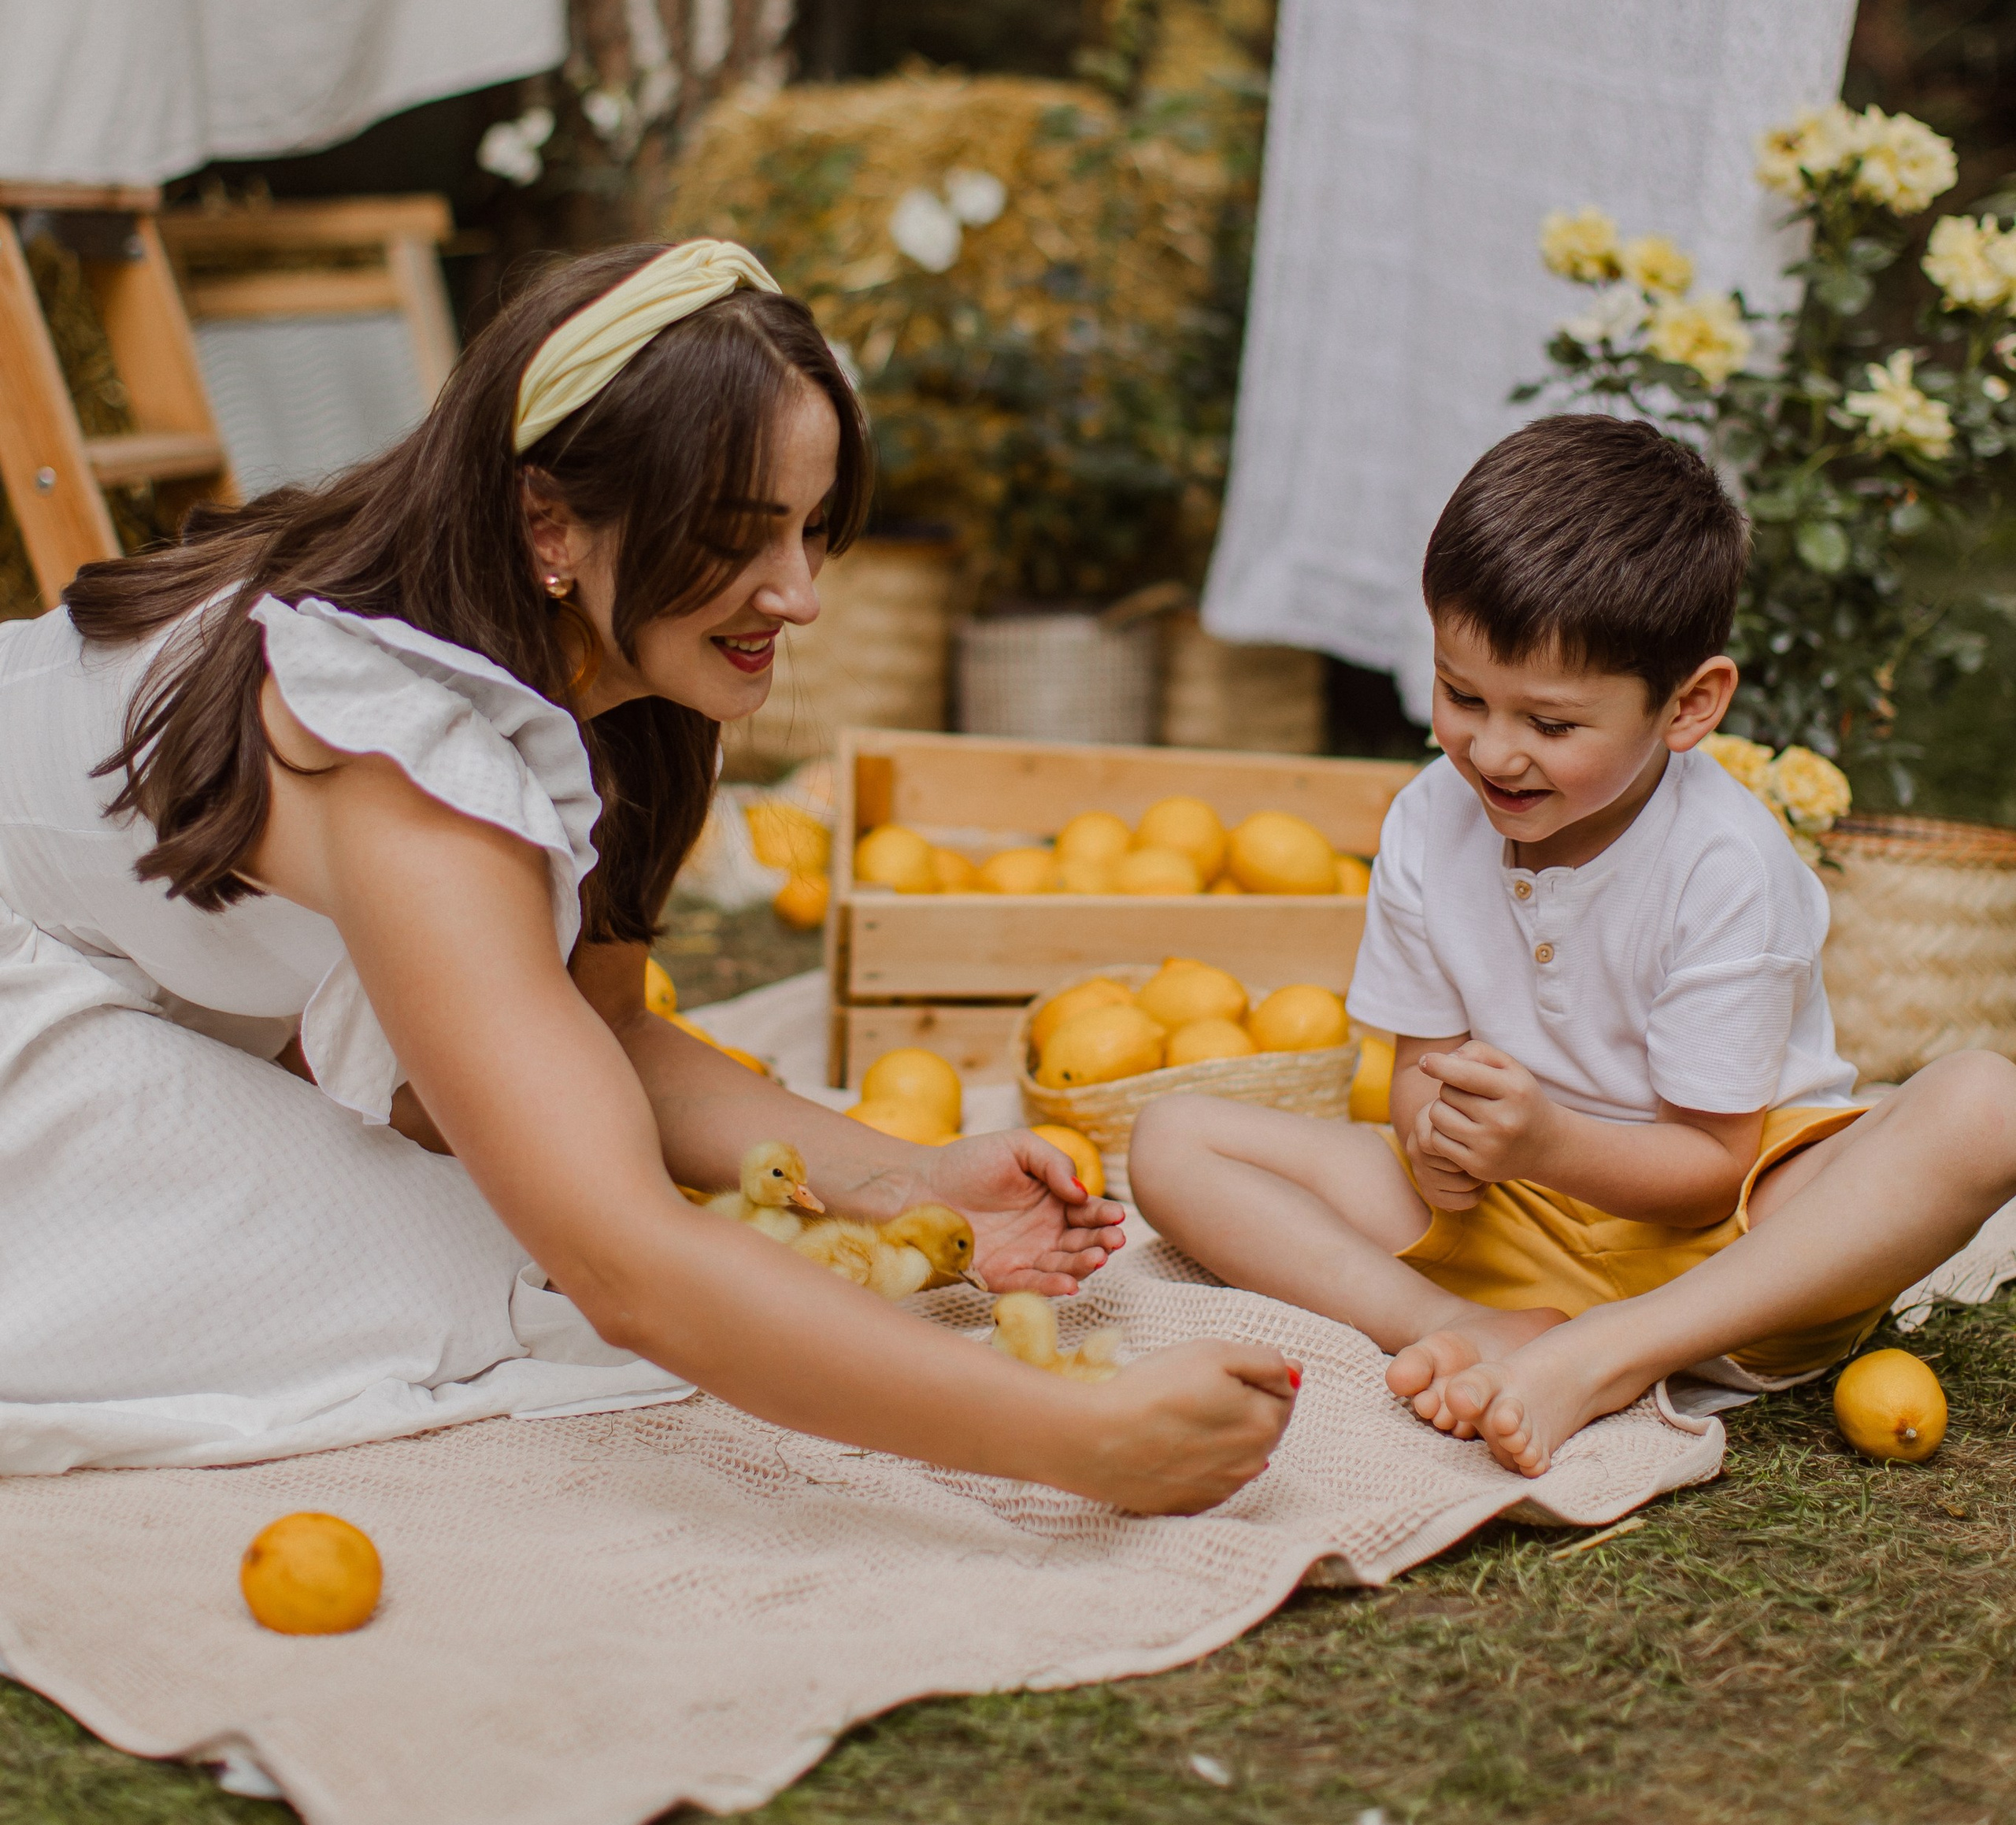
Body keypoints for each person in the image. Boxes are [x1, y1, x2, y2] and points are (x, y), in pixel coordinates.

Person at [0, 239, 1293, 1507]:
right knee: (483, 1278)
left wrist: (899, 1182)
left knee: (527, 1223)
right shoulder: (404, 766)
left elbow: (604, 1023)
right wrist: (1070, 1434)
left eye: (814, 529)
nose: (800, 595)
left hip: (137, 972)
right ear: (549, 523)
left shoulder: (630, 680)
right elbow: (625, 1265)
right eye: (739, 537)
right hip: (32, 980)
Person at [1131, 413, 2016, 1476]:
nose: (1494, 752)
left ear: (1689, 707)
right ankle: (1455, 1325)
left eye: (1551, 725)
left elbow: (1709, 1169)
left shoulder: (1724, 864)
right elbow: (1419, 1074)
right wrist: (1438, 1146)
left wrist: (1548, 1145)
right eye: (1462, 696)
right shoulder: (1428, 823)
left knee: (1985, 1107)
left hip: (1733, 1254)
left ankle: (1613, 1352)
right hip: (1509, 1230)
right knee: (1173, 1141)